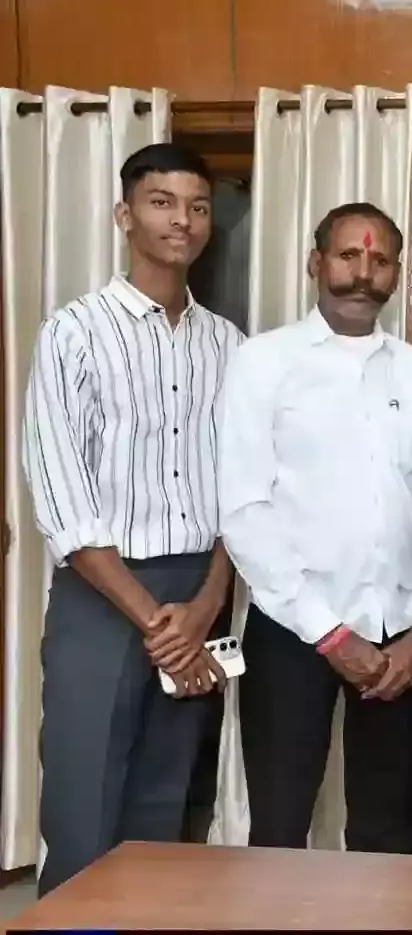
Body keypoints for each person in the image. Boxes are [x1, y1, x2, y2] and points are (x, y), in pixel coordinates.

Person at [23, 142, 241, 894]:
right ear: (124, 215)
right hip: (103, 595)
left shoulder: (228, 345)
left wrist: (206, 605)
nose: (182, 220)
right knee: (83, 806)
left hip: (201, 591)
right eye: (161, 202)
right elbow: (64, 499)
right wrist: (160, 625)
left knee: (164, 806)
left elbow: (244, 490)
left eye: (197, 206)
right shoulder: (74, 333)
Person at [218, 201, 412, 853]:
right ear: (314, 263)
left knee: (390, 829)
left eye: (380, 260)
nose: (363, 273)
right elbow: (244, 509)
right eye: (349, 255)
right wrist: (327, 630)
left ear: (397, 274)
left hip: (397, 638)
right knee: (281, 823)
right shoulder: (264, 362)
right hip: (294, 629)